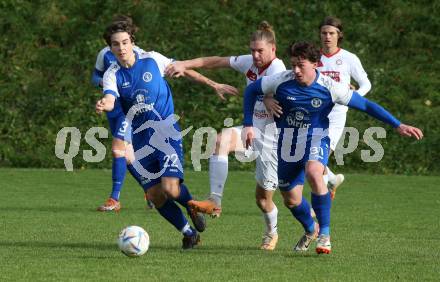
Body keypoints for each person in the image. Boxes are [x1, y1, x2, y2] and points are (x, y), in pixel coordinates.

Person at [243, 41, 423, 254]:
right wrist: (249, 123)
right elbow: (252, 90)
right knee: (291, 200)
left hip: (317, 138)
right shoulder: (282, 81)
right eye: (293, 65)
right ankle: (311, 229)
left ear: (315, 64)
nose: (296, 70)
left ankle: (325, 235)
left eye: (301, 65)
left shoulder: (330, 87)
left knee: (314, 172)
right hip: (288, 144)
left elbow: (365, 105)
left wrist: (398, 124)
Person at [95, 20, 235, 249]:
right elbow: (111, 98)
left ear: (132, 42)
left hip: (166, 133)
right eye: (115, 44)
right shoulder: (113, 74)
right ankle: (189, 233)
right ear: (110, 48)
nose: (121, 48)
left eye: (125, 42)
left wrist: (212, 84)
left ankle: (191, 204)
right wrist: (104, 104)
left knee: (170, 188)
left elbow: (182, 69)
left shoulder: (152, 59)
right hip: (140, 140)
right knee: (155, 195)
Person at [165, 21, 286, 251]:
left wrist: (268, 97)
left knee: (263, 200)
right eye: (252, 50)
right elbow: (217, 61)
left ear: (273, 49)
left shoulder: (277, 69)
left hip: (273, 139)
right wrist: (183, 64)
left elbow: (273, 94)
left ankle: (272, 233)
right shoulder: (250, 62)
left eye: (260, 50)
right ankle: (214, 202)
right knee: (219, 141)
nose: (255, 55)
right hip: (251, 129)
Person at [318, 16, 372, 198]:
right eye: (324, 33)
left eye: (331, 33)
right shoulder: (313, 57)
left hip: (336, 115)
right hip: (314, 113)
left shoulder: (349, 58)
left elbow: (366, 84)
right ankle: (331, 179)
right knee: (306, 155)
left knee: (320, 156)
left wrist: (353, 97)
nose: (327, 36)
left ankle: (320, 204)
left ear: (339, 35)